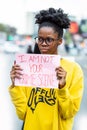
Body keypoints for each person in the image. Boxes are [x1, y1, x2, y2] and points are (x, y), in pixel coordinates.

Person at [9, 8, 84, 130]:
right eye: (40, 39)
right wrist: (15, 85)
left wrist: (62, 88)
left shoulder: (74, 70)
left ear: (59, 41)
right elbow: (22, 114)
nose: (43, 43)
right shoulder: (28, 68)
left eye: (49, 39)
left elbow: (68, 113)